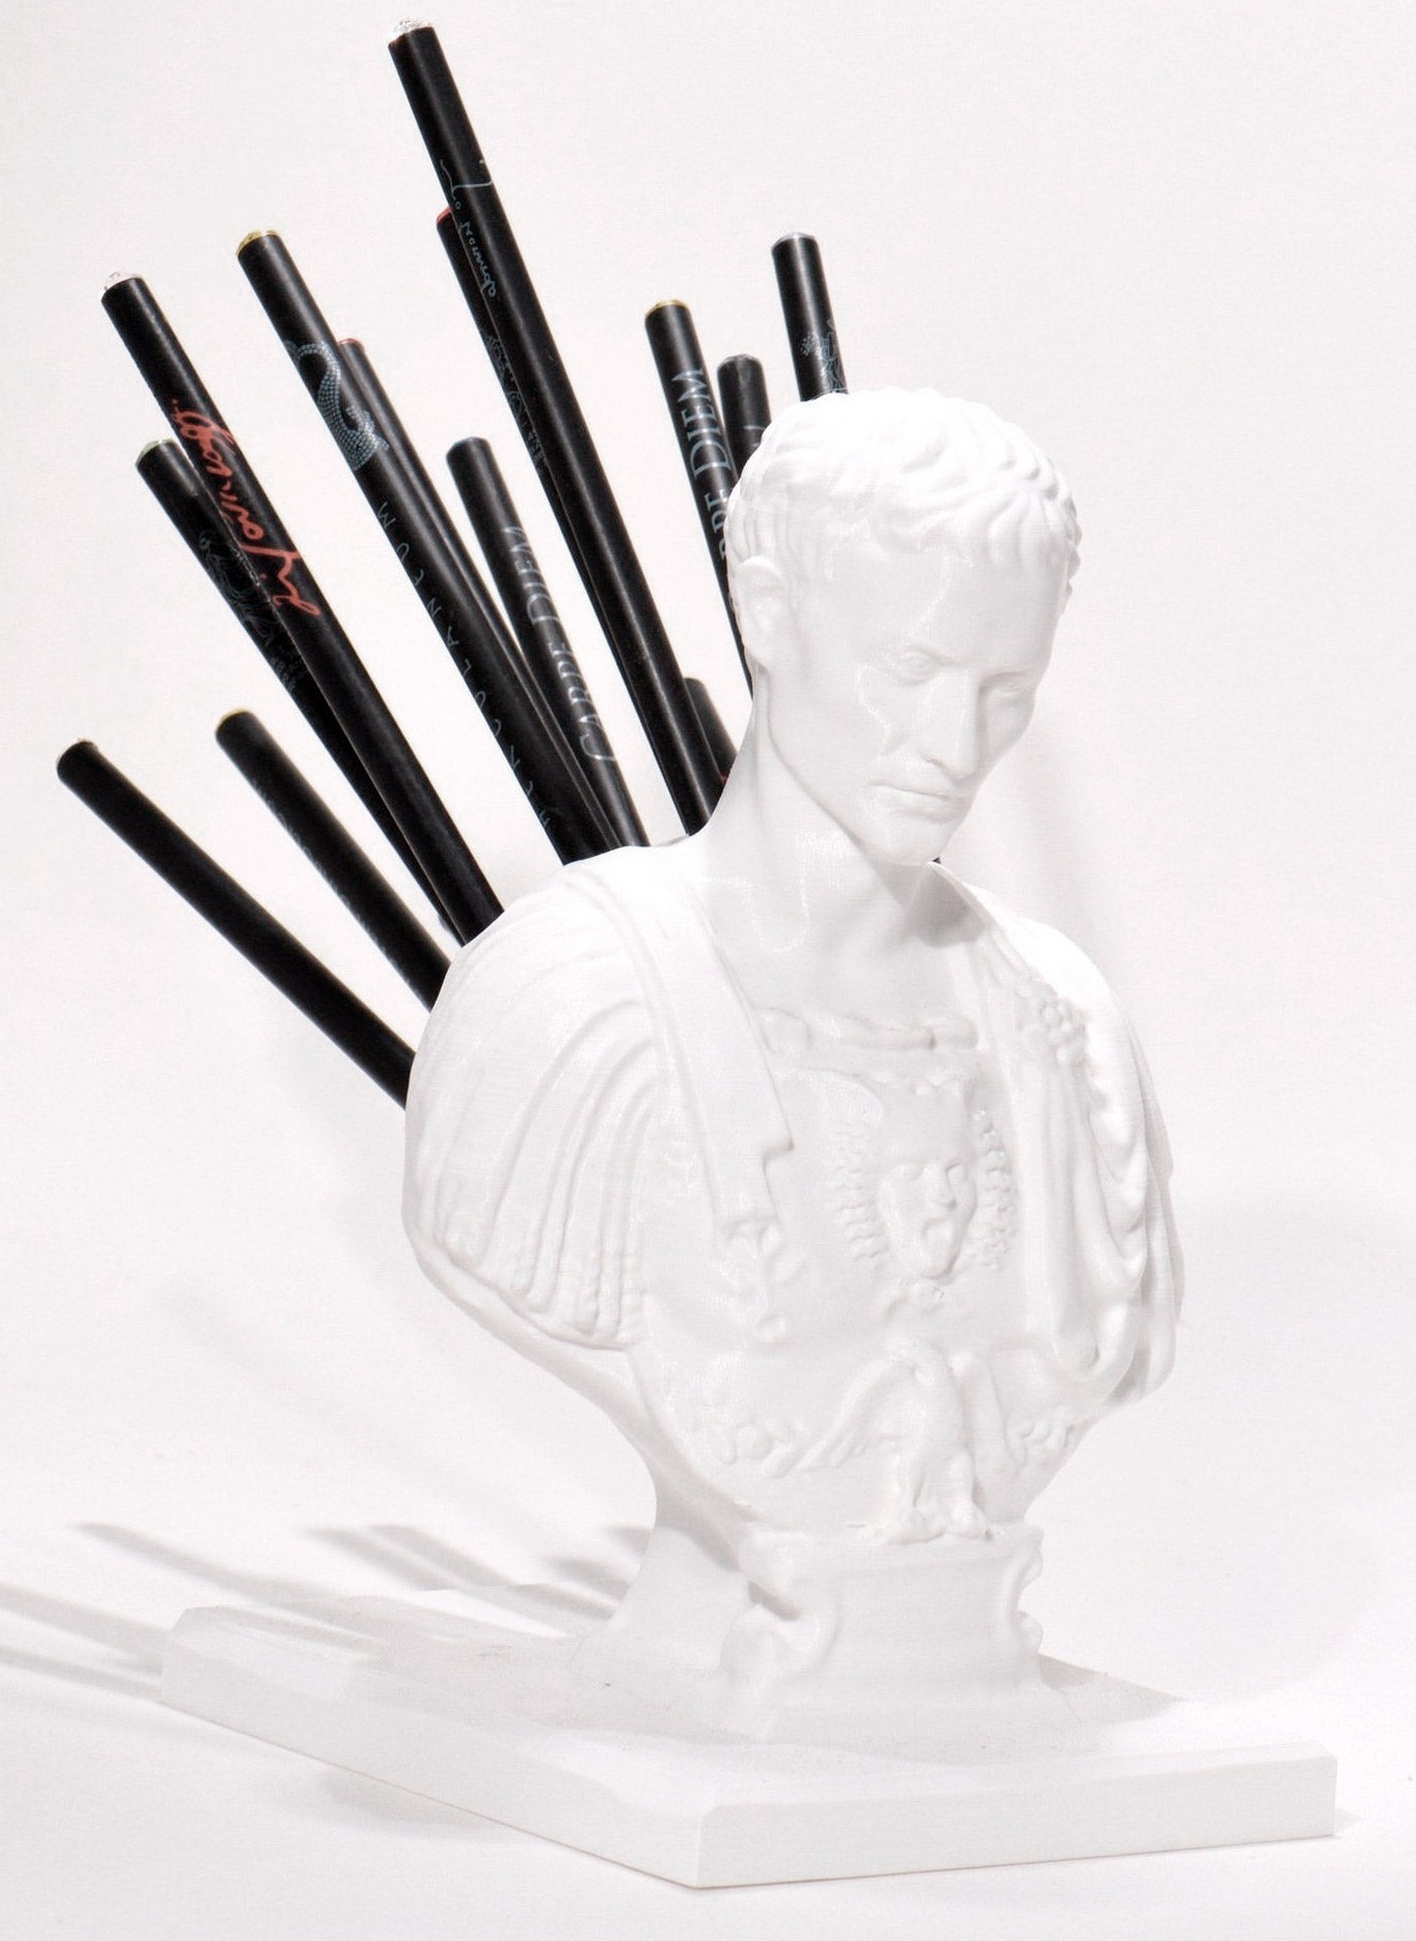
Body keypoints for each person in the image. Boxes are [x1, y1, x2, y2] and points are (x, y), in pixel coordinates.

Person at [403, 389, 1180, 1721]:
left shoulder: (1066, 1030)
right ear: (768, 614)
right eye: (910, 670)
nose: (956, 746)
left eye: (1005, 692)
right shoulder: (568, 1008)